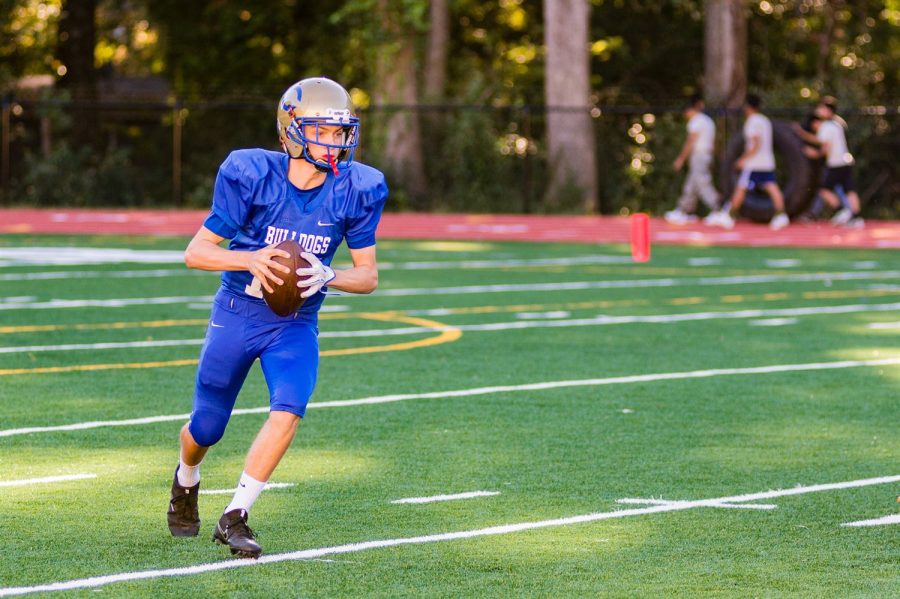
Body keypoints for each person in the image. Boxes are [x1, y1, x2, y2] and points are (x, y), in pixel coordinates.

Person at [166, 77, 388, 559]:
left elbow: (368, 276)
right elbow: (195, 252)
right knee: (206, 428)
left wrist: (329, 274)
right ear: (291, 130)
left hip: (295, 322)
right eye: (322, 132)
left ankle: (236, 515)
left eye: (341, 132)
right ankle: (186, 478)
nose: (335, 142)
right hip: (238, 311)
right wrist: (251, 258)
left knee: (289, 407)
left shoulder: (357, 187)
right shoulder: (252, 174)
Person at [705, 94, 789, 230]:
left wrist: (743, 158)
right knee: (771, 187)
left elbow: (756, 143)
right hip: (766, 161)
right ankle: (781, 215)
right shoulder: (764, 120)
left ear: (748, 106)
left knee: (741, 187)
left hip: (754, 163)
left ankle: (729, 216)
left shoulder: (752, 121)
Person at [803, 99, 864, 228]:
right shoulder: (837, 124)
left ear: (828, 110)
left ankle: (842, 210)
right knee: (850, 190)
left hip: (836, 164)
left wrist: (813, 152)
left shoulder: (826, 126)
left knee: (824, 190)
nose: (818, 110)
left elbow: (824, 147)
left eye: (821, 108)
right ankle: (856, 217)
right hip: (845, 161)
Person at [665, 94, 720, 224]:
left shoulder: (695, 122)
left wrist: (681, 159)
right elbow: (714, 142)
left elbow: (690, 142)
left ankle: (718, 207)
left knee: (702, 182)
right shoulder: (708, 121)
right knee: (692, 184)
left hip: (699, 155)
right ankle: (684, 210)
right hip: (706, 155)